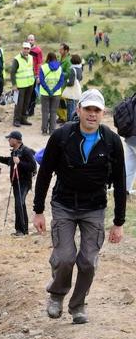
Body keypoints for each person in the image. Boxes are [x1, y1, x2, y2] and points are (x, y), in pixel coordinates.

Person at [33, 89, 126, 324]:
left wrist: (119, 223)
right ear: (79, 110)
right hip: (64, 204)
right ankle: (56, 295)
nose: (92, 115)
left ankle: (78, 306)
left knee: (88, 261)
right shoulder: (62, 136)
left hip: (94, 208)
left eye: (97, 110)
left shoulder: (112, 141)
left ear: (103, 113)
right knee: (64, 257)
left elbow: (121, 181)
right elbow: (44, 174)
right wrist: (38, 211)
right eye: (88, 109)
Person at [0, 131, 36, 236]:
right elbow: (10, 161)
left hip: (24, 183)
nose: (8, 140)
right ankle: (21, 230)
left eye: (10, 138)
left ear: (16, 140)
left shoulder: (26, 151)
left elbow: (33, 167)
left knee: (19, 203)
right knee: (20, 204)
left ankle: (22, 230)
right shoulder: (14, 151)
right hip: (15, 182)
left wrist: (20, 163)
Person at [10, 42, 35, 127]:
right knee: (19, 104)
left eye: (28, 49)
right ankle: (16, 120)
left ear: (30, 49)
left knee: (26, 103)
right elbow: (12, 72)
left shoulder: (31, 58)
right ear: (22, 48)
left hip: (30, 83)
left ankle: (24, 119)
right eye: (24, 48)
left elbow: (31, 69)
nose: (26, 50)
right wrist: (14, 85)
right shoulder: (17, 59)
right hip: (20, 85)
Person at [39, 52, 64, 135]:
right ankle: (52, 130)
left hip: (45, 93)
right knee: (53, 112)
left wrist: (48, 90)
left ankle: (44, 130)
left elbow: (41, 81)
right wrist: (54, 90)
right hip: (56, 93)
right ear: (55, 58)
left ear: (48, 58)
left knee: (45, 112)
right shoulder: (60, 68)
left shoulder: (43, 67)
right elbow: (61, 81)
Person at [26, 34, 43, 118]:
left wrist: (39, 75)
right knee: (26, 92)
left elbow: (40, 63)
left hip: (34, 74)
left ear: (34, 40)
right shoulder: (25, 50)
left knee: (33, 93)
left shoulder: (38, 50)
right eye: (29, 40)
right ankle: (26, 109)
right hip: (26, 75)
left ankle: (31, 111)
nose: (30, 41)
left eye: (32, 40)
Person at [63, 54, 83, 121]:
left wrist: (65, 83)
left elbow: (71, 83)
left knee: (70, 110)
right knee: (75, 110)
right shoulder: (80, 69)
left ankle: (69, 124)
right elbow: (80, 78)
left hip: (71, 93)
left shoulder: (73, 69)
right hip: (77, 92)